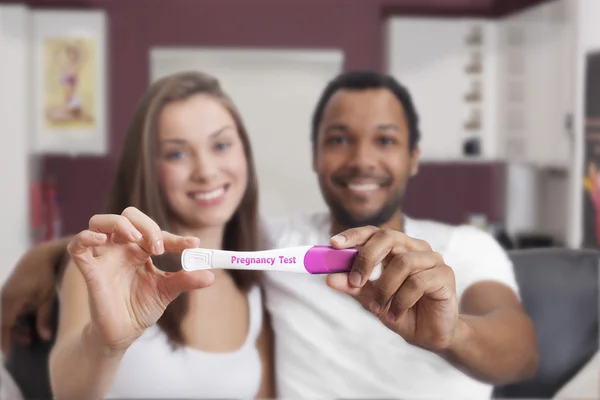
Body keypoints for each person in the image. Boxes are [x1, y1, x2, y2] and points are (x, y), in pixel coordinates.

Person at [1, 71, 538, 399]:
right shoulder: (270, 250)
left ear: (414, 157)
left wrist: (453, 336)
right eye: (339, 139)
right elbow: (170, 246)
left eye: (386, 139)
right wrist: (48, 257)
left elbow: (521, 352)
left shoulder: (467, 248)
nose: (362, 159)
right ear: (314, 155)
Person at [39, 71, 274, 399]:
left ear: (244, 151)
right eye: (177, 154)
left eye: (221, 145)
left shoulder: (256, 286)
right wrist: (106, 345)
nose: (206, 170)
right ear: (147, 168)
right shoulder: (108, 271)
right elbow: (68, 391)